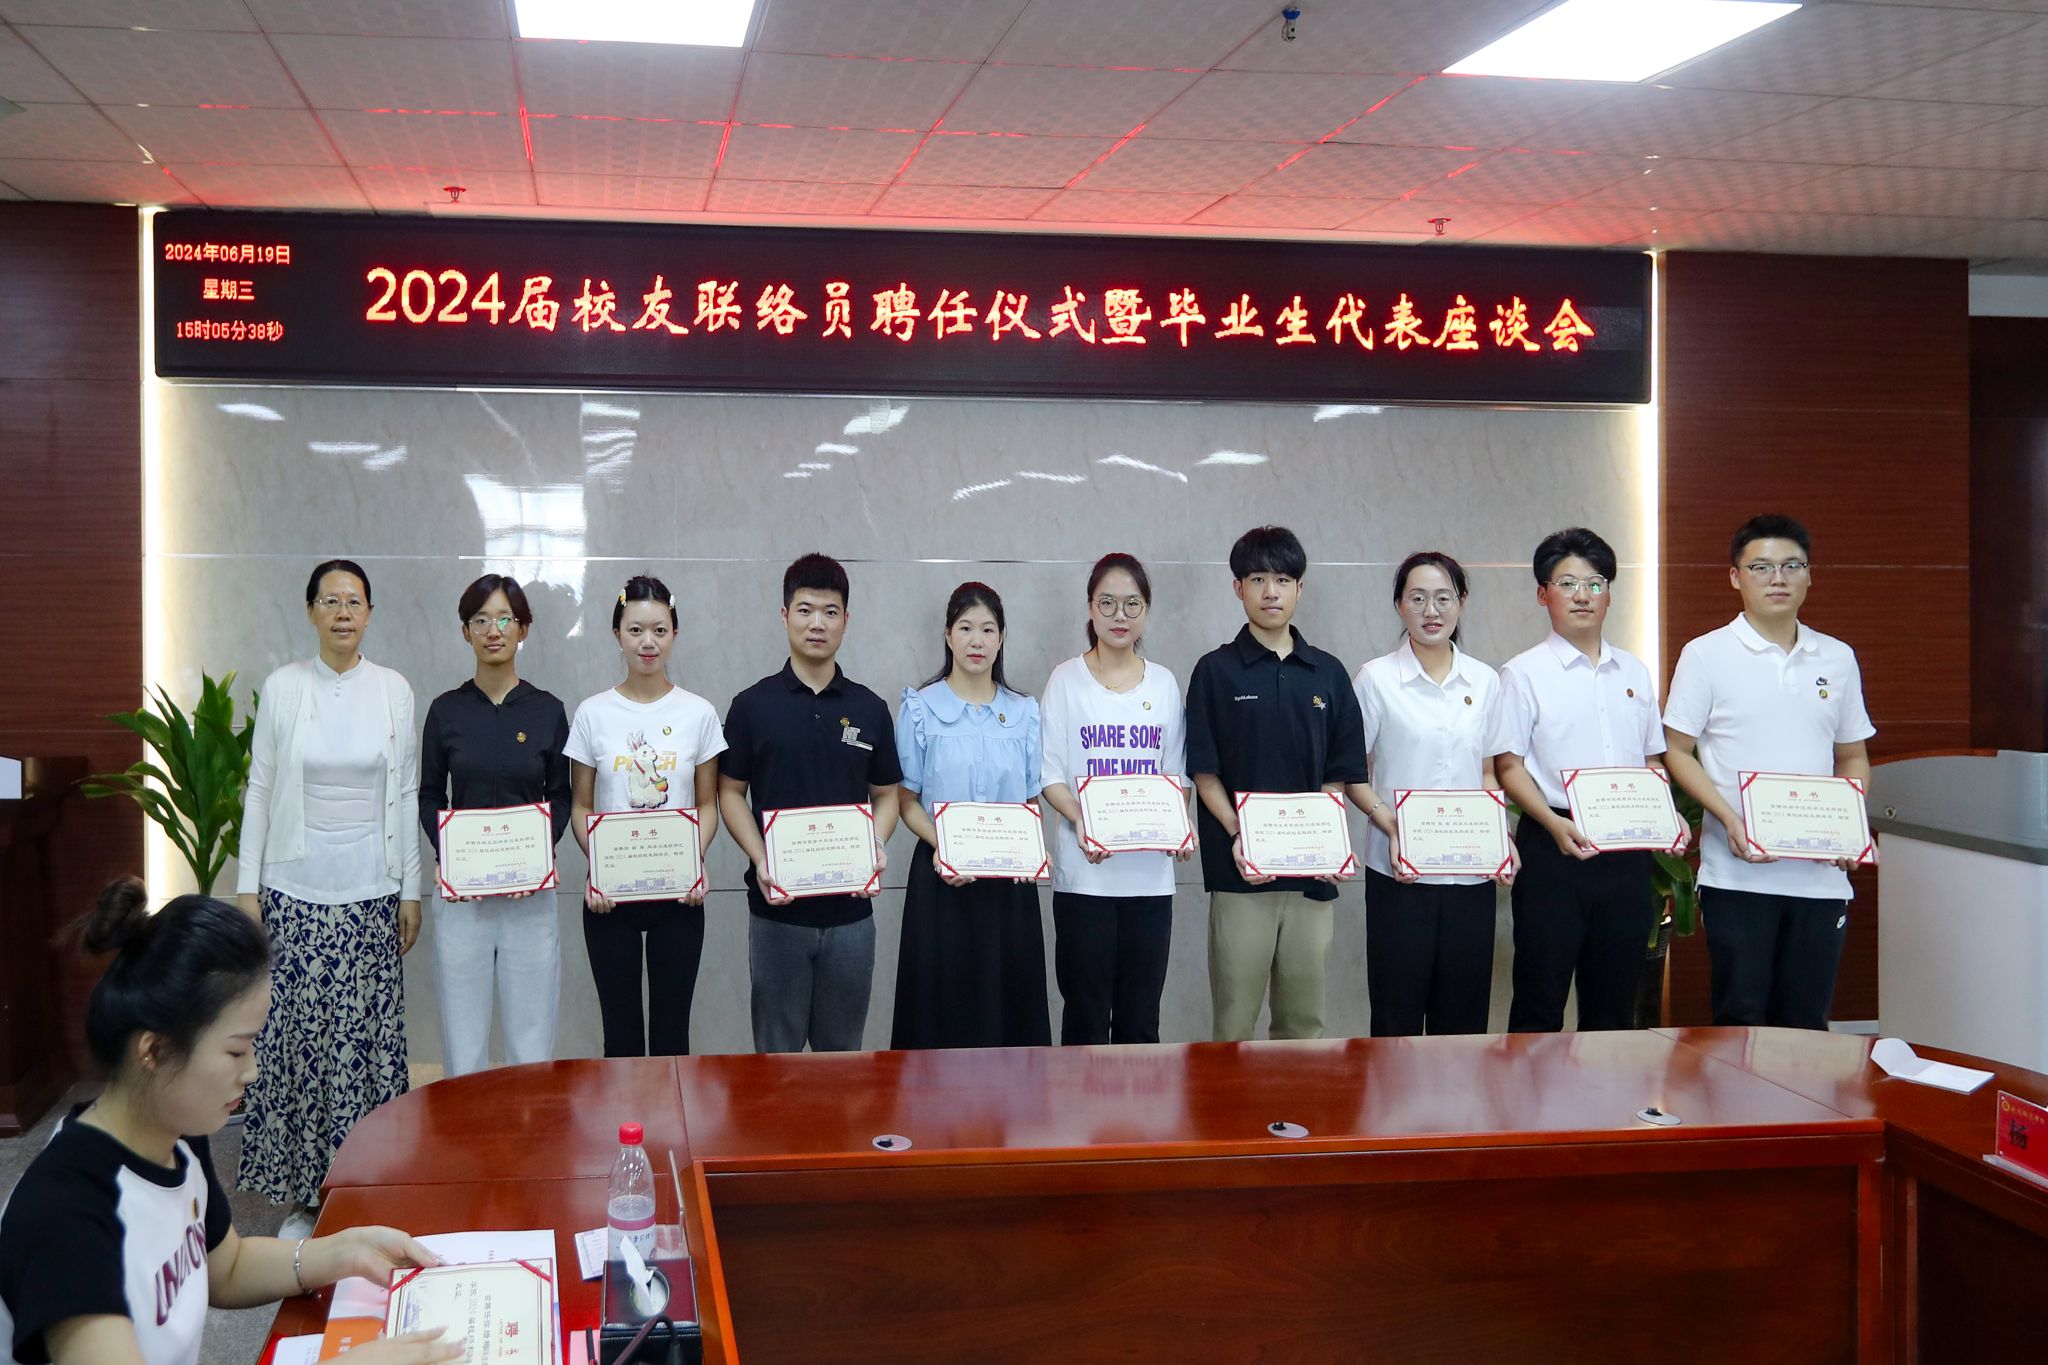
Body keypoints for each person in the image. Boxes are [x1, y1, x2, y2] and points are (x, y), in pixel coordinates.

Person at [0, 877, 460, 1365]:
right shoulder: (68, 1216)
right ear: (153, 1050)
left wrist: (342, 1251)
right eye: (237, 1050)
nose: (253, 1071)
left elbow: (226, 1267)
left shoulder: (175, 1134)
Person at [235, 559, 418, 1239]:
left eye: (354, 601)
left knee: (365, 1045)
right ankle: (305, 1200)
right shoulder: (285, 687)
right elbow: (259, 789)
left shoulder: (394, 689)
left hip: (371, 894)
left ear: (369, 613)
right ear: (311, 610)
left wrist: (412, 888)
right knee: (301, 1047)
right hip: (294, 893)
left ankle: (367, 1186)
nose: (343, 612)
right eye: (330, 600)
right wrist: (246, 888)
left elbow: (406, 792)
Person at [1661, 514, 1876, 1030]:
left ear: (1810, 575)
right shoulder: (1706, 654)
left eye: (1791, 566)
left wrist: (1851, 824)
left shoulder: (1837, 658)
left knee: (1807, 1024)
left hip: (1821, 877)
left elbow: (1852, 756)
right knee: (1741, 1020)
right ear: (1735, 577)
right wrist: (1729, 819)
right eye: (1760, 567)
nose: (1777, 578)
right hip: (1738, 873)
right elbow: (1676, 751)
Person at [1489, 528, 1679, 1033]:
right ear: (1542, 594)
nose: (1582, 595)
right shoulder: (1523, 674)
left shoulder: (1634, 672)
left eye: (1595, 584)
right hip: (1554, 846)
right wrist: (1553, 823)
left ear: (1609, 594)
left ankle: (1607, 1088)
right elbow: (1509, 767)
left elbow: (1652, 761)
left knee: (1614, 1006)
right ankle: (1532, 1089)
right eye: (1567, 583)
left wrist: (1668, 815)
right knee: (1539, 1000)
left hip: (1627, 852)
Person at [1185, 526, 1369, 1042]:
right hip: (1241, 874)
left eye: (1283, 580)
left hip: (1311, 879)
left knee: (1303, 1023)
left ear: (1300, 589)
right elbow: (1205, 772)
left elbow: (1339, 774)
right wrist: (1240, 833)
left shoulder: (1328, 673)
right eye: (1258, 579)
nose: (1271, 592)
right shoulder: (1215, 671)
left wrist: (1322, 841)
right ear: (1238, 587)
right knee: (1234, 1022)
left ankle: (1300, 1101)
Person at [719, 554, 902, 1053]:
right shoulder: (751, 706)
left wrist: (875, 843)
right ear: (784, 616)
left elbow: (887, 794)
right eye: (804, 610)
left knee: (842, 1060)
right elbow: (729, 792)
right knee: (776, 1060)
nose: (817, 623)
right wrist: (760, 856)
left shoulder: (870, 708)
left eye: (829, 611)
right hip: (776, 913)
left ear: (846, 620)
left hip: (851, 916)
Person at [1349, 551, 1514, 1037]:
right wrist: (1391, 824)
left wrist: (1501, 837)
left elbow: (1488, 772)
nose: (1431, 610)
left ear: (1462, 602)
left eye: (1443, 598)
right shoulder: (1376, 679)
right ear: (1399, 605)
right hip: (1398, 873)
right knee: (1396, 1017)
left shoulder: (1485, 680)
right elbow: (1352, 773)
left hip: (1470, 874)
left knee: (1462, 1022)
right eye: (1417, 598)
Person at [417, 575, 572, 1077]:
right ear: (466, 632)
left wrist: (539, 854)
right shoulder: (446, 712)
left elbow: (562, 795)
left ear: (523, 628)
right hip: (463, 899)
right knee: (464, 1047)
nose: (493, 630)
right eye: (480, 620)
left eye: (505, 618)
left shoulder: (548, 711)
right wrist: (449, 854)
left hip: (531, 898)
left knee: (531, 1044)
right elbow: (429, 795)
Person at [565, 575, 725, 1057]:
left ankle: (670, 1113)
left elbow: (708, 805)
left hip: (679, 895)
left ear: (675, 633)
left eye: (659, 630)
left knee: (673, 1036)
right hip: (610, 898)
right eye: (635, 630)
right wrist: (599, 868)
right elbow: (581, 806)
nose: (647, 642)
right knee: (621, 1038)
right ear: (617, 634)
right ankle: (626, 1112)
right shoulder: (592, 713)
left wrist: (694, 861)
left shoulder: (699, 713)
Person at [1038, 553, 1189, 1045]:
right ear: (1090, 609)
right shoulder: (1065, 679)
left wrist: (1178, 826)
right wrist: (1082, 820)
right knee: (1084, 1016)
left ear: (1146, 610)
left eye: (1132, 604)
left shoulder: (1164, 683)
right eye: (1107, 603)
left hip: (1150, 880)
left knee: (1140, 1021)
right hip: (1085, 879)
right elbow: (1050, 774)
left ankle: (1137, 1103)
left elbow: (1177, 774)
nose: (1119, 615)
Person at [892, 582, 1051, 1050]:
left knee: (1009, 1013)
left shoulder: (1024, 712)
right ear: (948, 635)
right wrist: (945, 846)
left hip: (1009, 885)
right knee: (941, 1012)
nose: (976, 640)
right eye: (965, 628)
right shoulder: (920, 709)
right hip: (941, 877)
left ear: (1001, 638)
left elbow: (1031, 802)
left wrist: (1032, 852)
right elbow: (906, 801)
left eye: (987, 629)